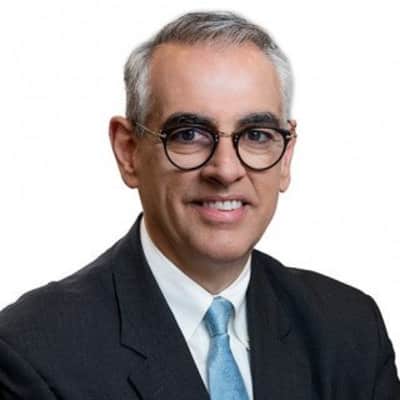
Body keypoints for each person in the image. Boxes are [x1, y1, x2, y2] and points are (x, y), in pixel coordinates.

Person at [0, 10, 399, 400]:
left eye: (256, 135)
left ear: (286, 157)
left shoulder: (350, 330)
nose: (226, 170)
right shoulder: (33, 353)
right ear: (128, 152)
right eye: (189, 134)